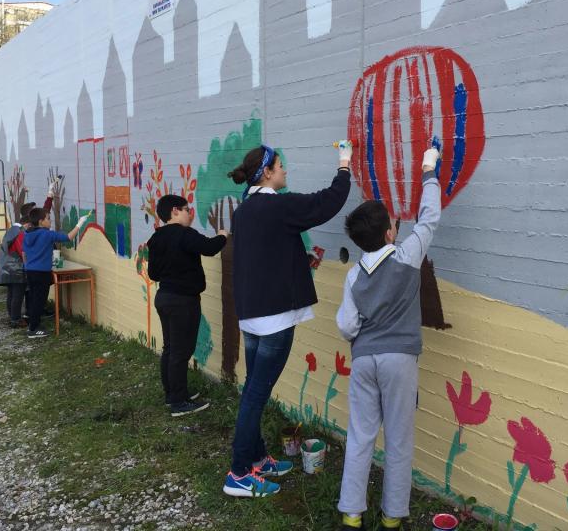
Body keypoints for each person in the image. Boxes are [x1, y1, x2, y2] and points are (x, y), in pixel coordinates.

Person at [222, 141, 352, 498]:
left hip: (251, 316)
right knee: (256, 394)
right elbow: (328, 201)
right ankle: (238, 474)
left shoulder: (244, 211)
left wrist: (298, 260)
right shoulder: (277, 206)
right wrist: (344, 164)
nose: (285, 171)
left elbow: (265, 256)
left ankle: (257, 458)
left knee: (254, 389)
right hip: (274, 319)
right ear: (266, 172)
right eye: (280, 166)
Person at [335, 147, 441, 531]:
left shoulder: (353, 276)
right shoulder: (407, 256)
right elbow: (429, 218)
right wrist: (428, 170)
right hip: (399, 361)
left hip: (364, 360)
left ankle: (351, 512)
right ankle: (392, 515)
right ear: (390, 233)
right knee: (398, 440)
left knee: (360, 436)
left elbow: (346, 326)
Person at [147, 194, 228, 417]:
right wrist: (222, 235)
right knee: (181, 351)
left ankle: (172, 393)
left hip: (164, 298)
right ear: (175, 211)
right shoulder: (184, 234)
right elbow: (209, 248)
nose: (190, 214)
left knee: (171, 348)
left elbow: (153, 273)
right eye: (187, 209)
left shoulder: (156, 238)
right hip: (183, 301)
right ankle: (178, 402)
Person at [0, 181, 58, 328]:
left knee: (13, 294)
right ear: (28, 221)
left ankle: (14, 317)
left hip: (8, 268)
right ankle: (16, 319)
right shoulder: (20, 233)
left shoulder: (14, 229)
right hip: (16, 269)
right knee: (17, 294)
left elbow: (44, 212)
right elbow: (23, 251)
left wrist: (50, 195)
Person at [22, 207, 87, 339]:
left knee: (34, 298)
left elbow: (24, 253)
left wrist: (27, 265)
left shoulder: (27, 234)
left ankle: (32, 324)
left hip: (30, 271)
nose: (50, 221)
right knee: (39, 301)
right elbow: (68, 237)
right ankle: (33, 329)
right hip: (42, 273)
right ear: (41, 221)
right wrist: (80, 223)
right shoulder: (47, 234)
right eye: (48, 218)